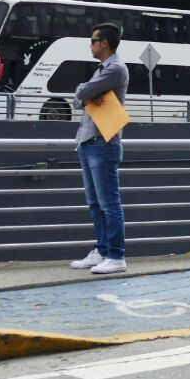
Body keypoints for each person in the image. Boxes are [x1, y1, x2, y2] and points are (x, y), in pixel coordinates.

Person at [70, 23, 129, 275]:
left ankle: (116, 256)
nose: (90, 45)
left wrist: (84, 93)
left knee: (109, 203)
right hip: (88, 140)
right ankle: (102, 250)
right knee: (95, 203)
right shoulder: (102, 70)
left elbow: (82, 92)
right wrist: (83, 94)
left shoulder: (115, 68)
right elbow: (78, 99)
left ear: (104, 43)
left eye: (93, 41)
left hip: (103, 142)